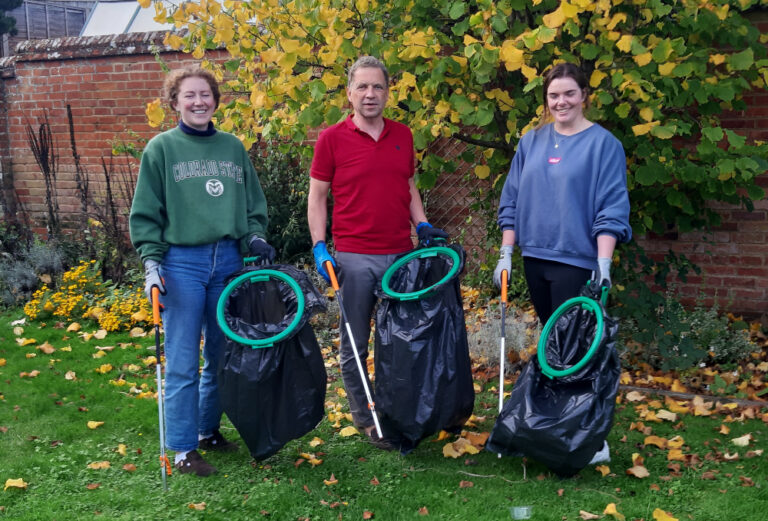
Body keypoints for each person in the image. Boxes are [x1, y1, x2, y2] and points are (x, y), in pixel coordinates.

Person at [129, 65, 274, 477]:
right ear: (174, 102)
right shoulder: (161, 149)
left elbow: (252, 205)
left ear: (215, 101)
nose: (198, 102)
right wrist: (152, 263)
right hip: (182, 264)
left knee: (222, 355)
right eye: (189, 95)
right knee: (181, 360)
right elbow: (146, 213)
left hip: (228, 261)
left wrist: (255, 238)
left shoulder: (232, 148)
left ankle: (207, 430)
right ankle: (182, 449)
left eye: (205, 94)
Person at [307, 56, 448, 449]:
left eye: (377, 87)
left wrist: (422, 224)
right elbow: (317, 197)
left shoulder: (403, 134)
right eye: (362, 87)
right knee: (354, 343)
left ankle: (399, 408)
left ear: (388, 93)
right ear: (349, 93)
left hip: (402, 256)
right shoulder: (331, 139)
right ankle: (367, 419)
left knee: (401, 340)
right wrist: (319, 245)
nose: (370, 94)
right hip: (354, 258)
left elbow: (408, 185)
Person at [493, 62, 631, 464]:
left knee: (578, 350)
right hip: (536, 258)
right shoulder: (531, 142)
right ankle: (557, 428)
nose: (561, 102)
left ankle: (591, 440)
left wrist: (603, 264)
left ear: (585, 95)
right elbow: (511, 200)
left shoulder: (604, 145)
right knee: (555, 348)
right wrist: (506, 254)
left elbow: (611, 207)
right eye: (554, 95)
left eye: (570, 93)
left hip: (578, 261)